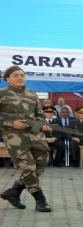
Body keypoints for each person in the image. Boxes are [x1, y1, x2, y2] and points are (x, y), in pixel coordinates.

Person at [0, 66, 54, 212]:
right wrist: (11, 123)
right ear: (7, 79)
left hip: (35, 135)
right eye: (16, 75)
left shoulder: (31, 94)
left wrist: (42, 124)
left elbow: (39, 114)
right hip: (15, 137)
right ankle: (40, 200)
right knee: (27, 167)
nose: (20, 78)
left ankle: (13, 191)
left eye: (22, 75)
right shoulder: (2, 94)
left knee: (42, 162)